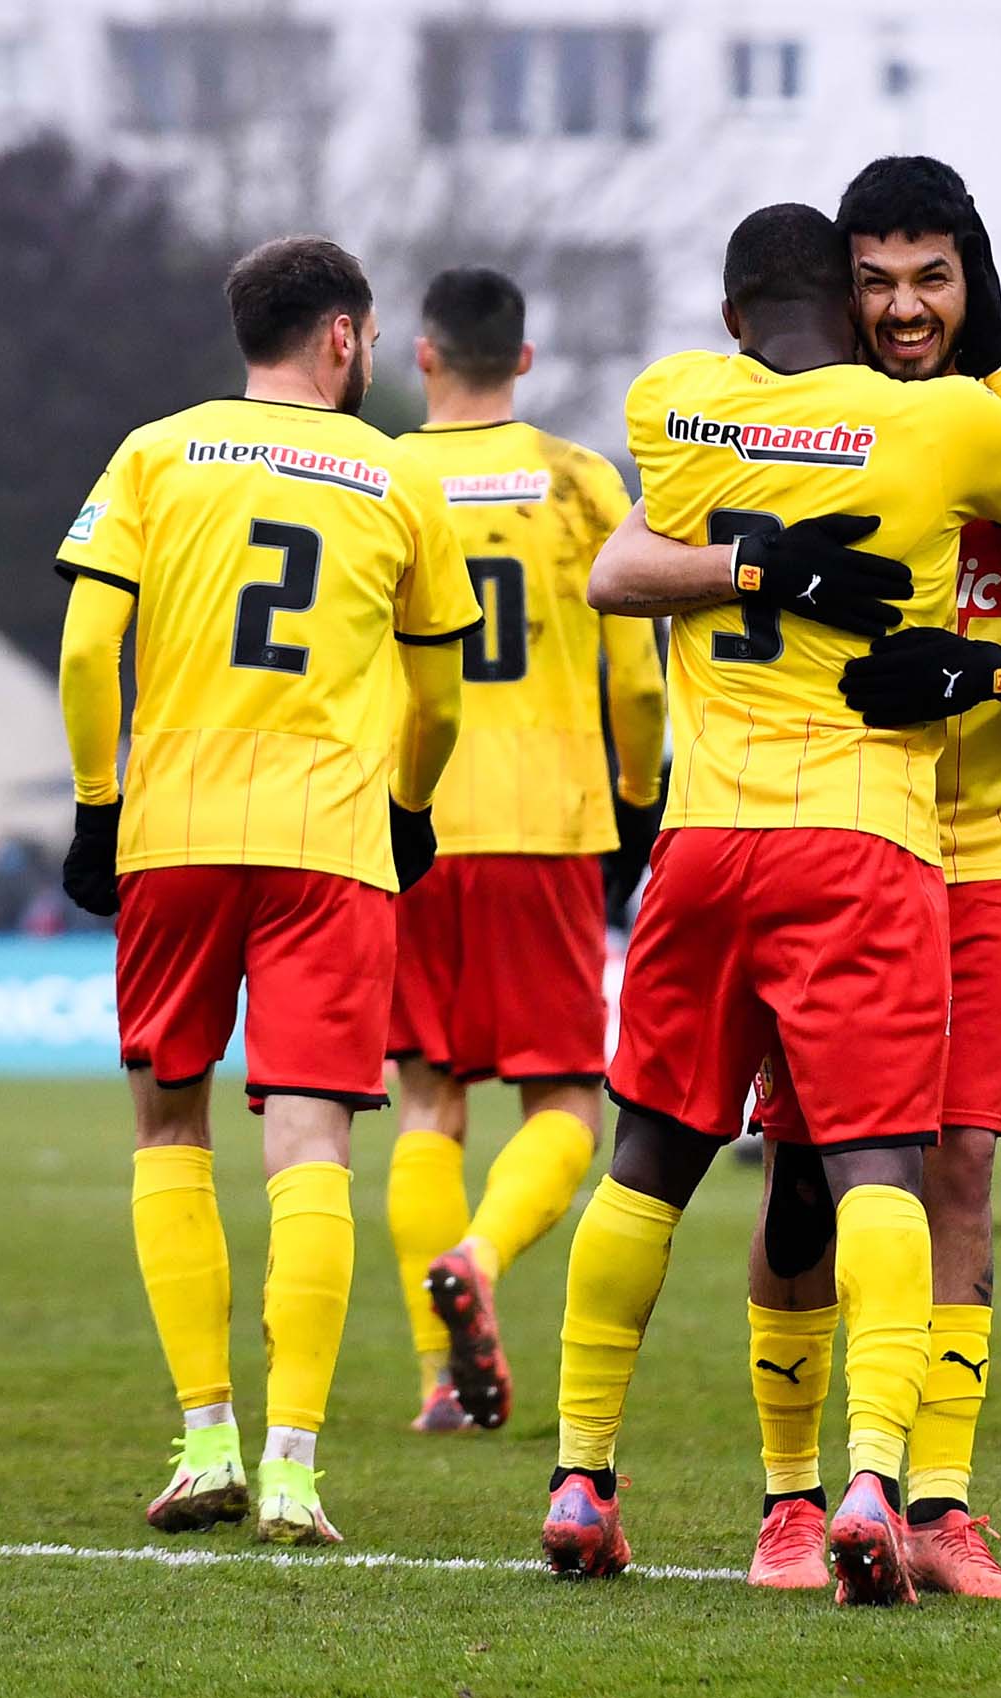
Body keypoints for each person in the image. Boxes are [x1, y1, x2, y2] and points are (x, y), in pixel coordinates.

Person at [541, 202, 1001, 1605]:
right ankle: (813, 1495)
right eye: (878, 284)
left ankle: (925, 1503)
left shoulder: (695, 402)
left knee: (882, 1163)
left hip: (928, 848)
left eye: (933, 281)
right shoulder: (938, 431)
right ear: (840, 297)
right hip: (872, 841)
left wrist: (973, 670)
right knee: (835, 1177)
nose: (907, 306)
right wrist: (777, 559)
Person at [55, 235, 479, 1545]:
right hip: (331, 838)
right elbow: (440, 694)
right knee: (313, 1145)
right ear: (344, 340)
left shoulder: (155, 449)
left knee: (168, 1124)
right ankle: (294, 1470)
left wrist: (93, 800)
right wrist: (408, 812)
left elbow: (86, 643)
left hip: (175, 822)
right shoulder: (399, 475)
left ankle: (203, 1443)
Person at [377, 266, 666, 1436]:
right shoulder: (580, 478)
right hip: (549, 818)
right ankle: (484, 1256)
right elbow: (638, 676)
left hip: (408, 820)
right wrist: (637, 806)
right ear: (528, 361)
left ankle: (438, 1382)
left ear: (425, 357)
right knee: (564, 1101)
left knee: (423, 1100)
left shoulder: (381, 476)